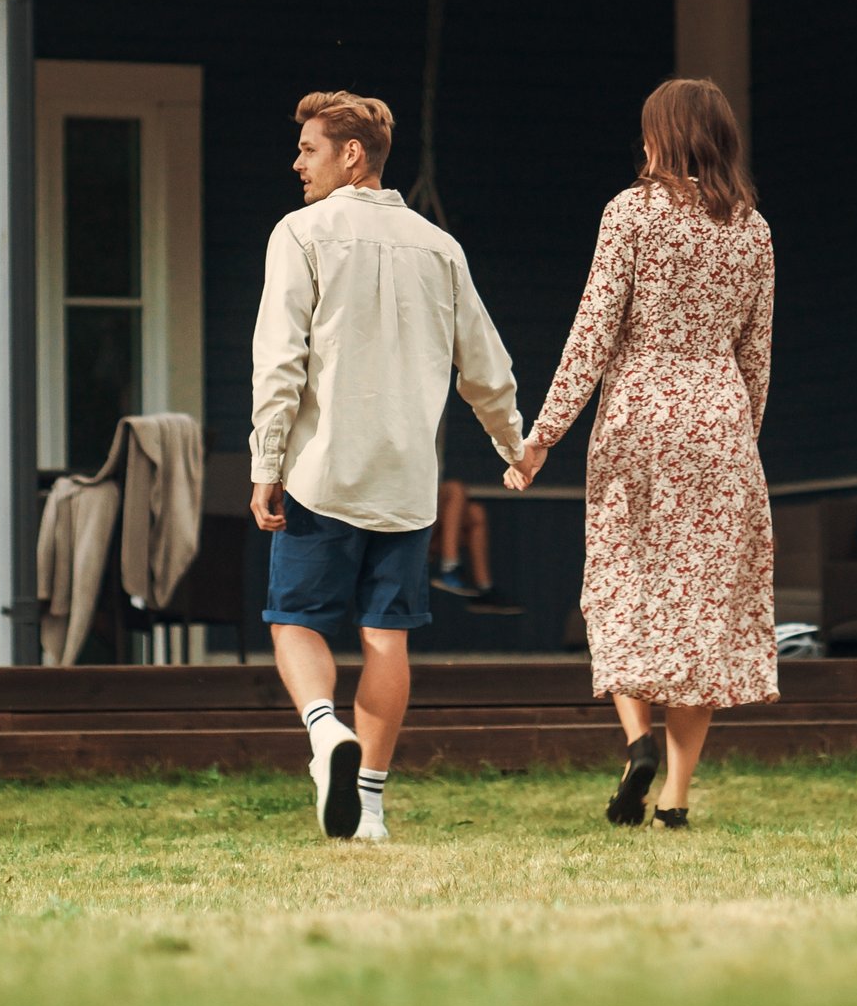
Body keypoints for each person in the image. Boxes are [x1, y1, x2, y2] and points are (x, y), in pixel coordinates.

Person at [251, 90, 525, 843]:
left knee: (295, 623)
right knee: (387, 637)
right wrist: (514, 445)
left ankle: (324, 732)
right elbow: (486, 365)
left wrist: (265, 462)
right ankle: (368, 807)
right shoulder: (440, 247)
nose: (296, 163)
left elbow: (280, 361)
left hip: (322, 472)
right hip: (407, 483)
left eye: (308, 149)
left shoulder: (300, 233)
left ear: (351, 155)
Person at [508, 78, 774, 830]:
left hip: (640, 418)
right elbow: (756, 353)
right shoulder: (753, 228)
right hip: (720, 423)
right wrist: (741, 439)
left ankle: (637, 743)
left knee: (623, 582)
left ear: (663, 137)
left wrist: (541, 438)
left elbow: (592, 333)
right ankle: (676, 799)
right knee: (702, 608)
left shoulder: (630, 213)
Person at [432, 476, 522, 614]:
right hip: (407, 523)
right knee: (455, 489)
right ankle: (449, 566)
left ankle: (484, 588)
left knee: (476, 513)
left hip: (430, 526)